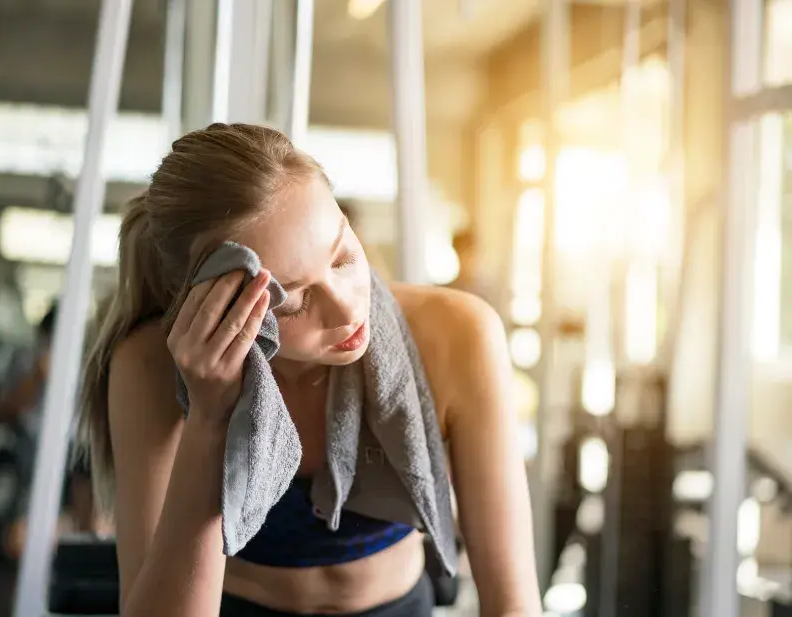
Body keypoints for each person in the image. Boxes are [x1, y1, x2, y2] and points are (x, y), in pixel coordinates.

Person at [78, 123, 541, 617]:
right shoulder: (151, 367)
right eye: (293, 302)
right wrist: (210, 417)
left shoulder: (459, 336)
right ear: (213, 300)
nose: (346, 310)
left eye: (343, 256)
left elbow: (513, 606)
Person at [0, 303, 111, 559]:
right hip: (35, 447)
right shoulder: (26, 359)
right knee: (21, 535)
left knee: (93, 509)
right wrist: (37, 376)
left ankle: (86, 540)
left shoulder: (89, 362)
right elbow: (4, 413)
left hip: (78, 449)